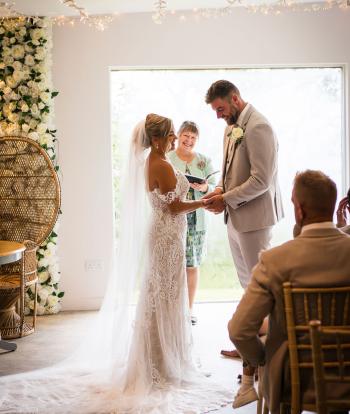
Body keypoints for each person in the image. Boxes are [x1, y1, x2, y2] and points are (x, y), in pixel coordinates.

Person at [0, 114, 231, 413]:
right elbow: (174, 207)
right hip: (166, 239)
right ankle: (161, 365)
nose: (175, 138)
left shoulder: (154, 160)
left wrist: (203, 196)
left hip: (168, 236)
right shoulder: (159, 163)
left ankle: (165, 359)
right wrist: (205, 202)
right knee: (164, 297)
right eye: (171, 134)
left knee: (166, 297)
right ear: (158, 139)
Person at [228, 170, 350, 414]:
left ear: (299, 211)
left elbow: (239, 330)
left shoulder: (275, 261)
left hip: (291, 380)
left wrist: (264, 358)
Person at [203, 79, 284, 407]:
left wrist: (227, 199)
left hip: (255, 220)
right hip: (235, 216)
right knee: (247, 283)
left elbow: (262, 180)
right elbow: (230, 171)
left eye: (221, 109)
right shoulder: (231, 128)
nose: (218, 116)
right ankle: (250, 343)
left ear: (235, 99)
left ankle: (264, 354)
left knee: (260, 286)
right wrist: (220, 191)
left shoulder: (259, 126)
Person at [168, 121, 217, 325]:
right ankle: (171, 308)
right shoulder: (168, 158)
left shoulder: (204, 161)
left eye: (193, 138)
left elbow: (214, 187)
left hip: (196, 220)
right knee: (172, 264)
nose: (189, 141)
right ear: (178, 135)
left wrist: (205, 187)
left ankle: (189, 310)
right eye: (186, 136)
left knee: (191, 264)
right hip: (173, 216)